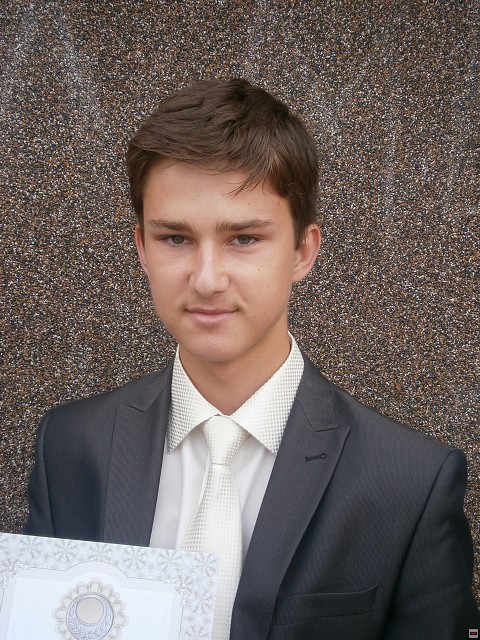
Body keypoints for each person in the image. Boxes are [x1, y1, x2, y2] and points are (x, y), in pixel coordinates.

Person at [24, 78, 478, 639]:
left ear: (302, 251)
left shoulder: (410, 481)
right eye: (175, 238)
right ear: (141, 247)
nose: (207, 279)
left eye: (243, 238)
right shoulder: (70, 446)